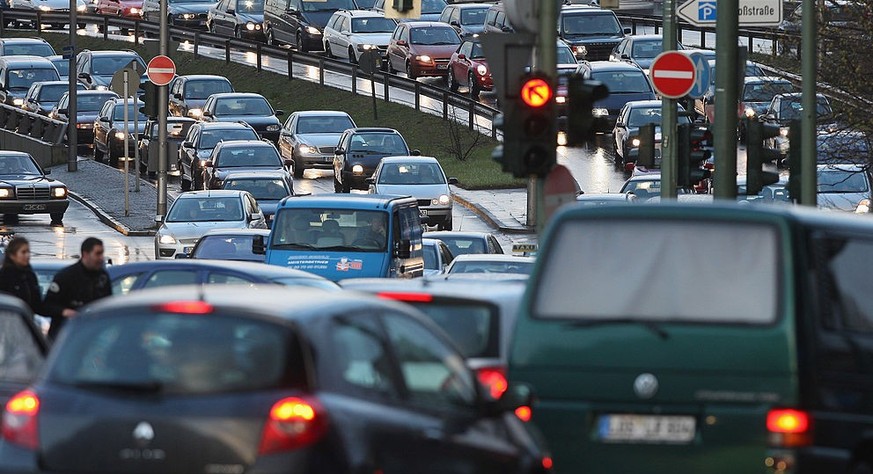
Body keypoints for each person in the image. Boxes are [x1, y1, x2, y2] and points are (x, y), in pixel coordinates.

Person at [43, 237, 112, 340]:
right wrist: (65, 312)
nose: (101, 258)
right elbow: (47, 306)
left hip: (92, 336)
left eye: (102, 253)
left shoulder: (102, 277)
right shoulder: (66, 276)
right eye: (97, 254)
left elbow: (108, 304)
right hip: (65, 337)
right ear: (85, 254)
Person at [0, 237, 43, 315]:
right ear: (12, 255)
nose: (27, 255)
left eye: (28, 252)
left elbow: (37, 305)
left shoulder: (29, 275)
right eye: (23, 252)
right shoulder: (4, 276)